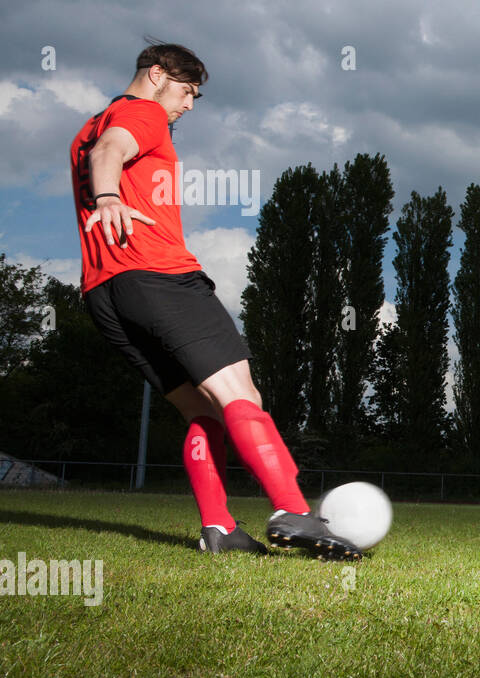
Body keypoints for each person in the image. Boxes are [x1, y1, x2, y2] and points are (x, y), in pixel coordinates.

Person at [70, 41, 360, 560]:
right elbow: (109, 151)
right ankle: (292, 510)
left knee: (201, 412)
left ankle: (219, 530)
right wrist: (111, 196)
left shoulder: (89, 125)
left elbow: (98, 147)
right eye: (188, 91)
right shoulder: (143, 114)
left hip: (105, 292)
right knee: (239, 396)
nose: (189, 104)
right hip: (159, 276)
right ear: (158, 75)